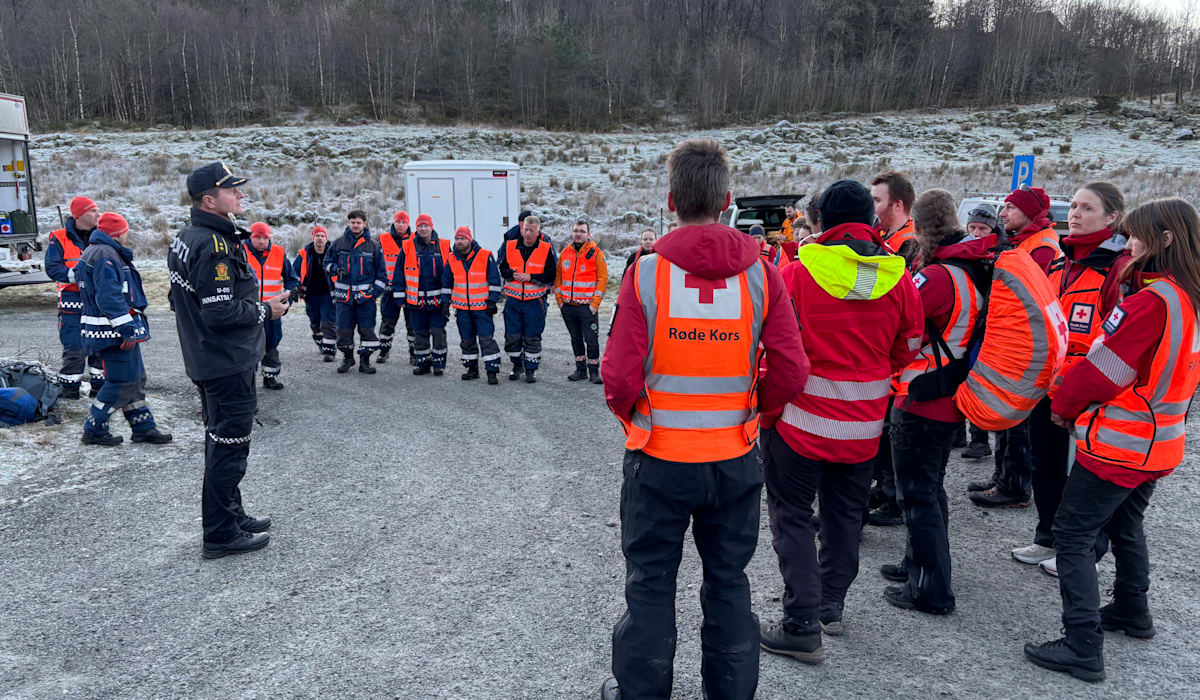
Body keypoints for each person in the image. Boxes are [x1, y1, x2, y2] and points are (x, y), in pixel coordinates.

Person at [599, 138, 809, 700]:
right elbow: (792, 369)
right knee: (728, 584)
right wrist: (756, 413)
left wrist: (638, 419)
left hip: (659, 461)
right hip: (735, 462)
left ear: (670, 202)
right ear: (729, 199)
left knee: (649, 584)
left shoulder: (644, 275)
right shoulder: (765, 275)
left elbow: (617, 379)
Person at [1024, 197, 1200, 683]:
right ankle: (1130, 608)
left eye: (1137, 234)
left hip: (1121, 443)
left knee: (1073, 535)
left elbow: (1104, 371)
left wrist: (1062, 408)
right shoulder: (1189, 297)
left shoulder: (1151, 301)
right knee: (1126, 522)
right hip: (1159, 441)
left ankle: (1082, 644)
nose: (1130, 242)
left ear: (1164, 239)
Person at [758, 180, 922, 663]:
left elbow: (777, 344)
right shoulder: (899, 276)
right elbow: (907, 347)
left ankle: (801, 621)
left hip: (801, 422)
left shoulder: (800, 270)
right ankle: (830, 606)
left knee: (791, 515)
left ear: (822, 221)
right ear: (870, 222)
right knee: (844, 516)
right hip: (865, 426)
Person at [168, 161, 289, 559]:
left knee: (222, 442)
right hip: (224, 363)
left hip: (211, 359)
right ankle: (220, 534)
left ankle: (230, 515)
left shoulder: (189, 236)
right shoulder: (213, 246)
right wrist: (264, 311)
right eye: (232, 191)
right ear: (209, 200)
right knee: (229, 447)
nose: (240, 195)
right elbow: (218, 313)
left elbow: (178, 300)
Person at [882, 188, 993, 615]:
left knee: (918, 494)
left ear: (919, 224)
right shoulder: (966, 272)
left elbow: (896, 322)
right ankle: (919, 566)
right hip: (946, 395)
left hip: (921, 397)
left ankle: (930, 588)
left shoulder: (937, 277)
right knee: (929, 491)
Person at [1011, 183, 1131, 577]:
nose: (1075, 214)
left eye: (1087, 208)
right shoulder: (1062, 261)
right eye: (1074, 206)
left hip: (1089, 387)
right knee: (1044, 463)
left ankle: (1083, 551)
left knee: (1080, 473)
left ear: (1112, 217)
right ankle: (1048, 535)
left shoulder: (1116, 266)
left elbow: (1117, 341)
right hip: (1050, 381)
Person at [967, 189, 1062, 508]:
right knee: (1006, 411)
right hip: (1011, 336)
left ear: (1029, 212)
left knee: (1017, 416)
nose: (1003, 213)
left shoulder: (1043, 246)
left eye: (1010, 207)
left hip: (1023, 342)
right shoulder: (1023, 240)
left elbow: (1032, 296)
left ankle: (1015, 486)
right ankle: (1003, 477)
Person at [77, 212, 171, 446]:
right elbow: (109, 298)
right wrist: (127, 329)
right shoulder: (105, 255)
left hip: (113, 330)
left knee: (135, 378)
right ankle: (94, 429)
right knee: (121, 382)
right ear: (119, 233)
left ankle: (143, 427)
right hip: (112, 333)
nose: (128, 234)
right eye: (126, 230)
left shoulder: (101, 252)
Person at [45, 196, 104, 399]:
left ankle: (101, 389)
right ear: (80, 215)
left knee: (101, 346)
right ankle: (69, 392)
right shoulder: (59, 237)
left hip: (99, 302)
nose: (98, 214)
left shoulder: (103, 235)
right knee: (74, 348)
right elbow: (53, 268)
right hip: (72, 303)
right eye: (93, 211)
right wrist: (81, 276)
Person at [326, 209, 388, 374]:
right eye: (352, 222)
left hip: (365, 300)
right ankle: (348, 358)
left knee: (367, 330)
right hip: (344, 299)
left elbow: (382, 274)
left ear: (365, 224)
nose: (355, 225)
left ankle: (365, 361)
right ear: (349, 223)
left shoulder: (374, 246)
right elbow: (326, 262)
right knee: (343, 331)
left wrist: (374, 295)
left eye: (358, 222)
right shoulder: (338, 243)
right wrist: (335, 268)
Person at [393, 213, 452, 376]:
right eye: (420, 226)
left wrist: (447, 300)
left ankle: (439, 364)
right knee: (420, 333)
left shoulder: (444, 246)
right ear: (416, 228)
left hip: (437, 301)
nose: (423, 229)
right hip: (415, 301)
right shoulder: (407, 246)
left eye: (426, 225)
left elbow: (450, 274)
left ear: (432, 227)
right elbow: (399, 273)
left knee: (438, 332)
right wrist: (399, 296)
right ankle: (423, 363)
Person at [441, 225, 503, 383]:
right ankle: (472, 369)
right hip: (462, 309)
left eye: (462, 238)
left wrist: (492, 301)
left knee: (486, 340)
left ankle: (492, 371)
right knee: (467, 341)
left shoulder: (485, 255)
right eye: (457, 239)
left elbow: (495, 281)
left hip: (482, 309)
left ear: (470, 239)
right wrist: (445, 303)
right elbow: (447, 283)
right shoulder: (452, 258)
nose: (459, 241)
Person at [499, 215, 556, 383]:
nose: (528, 233)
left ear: (538, 232)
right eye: (526, 230)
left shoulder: (545, 249)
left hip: (534, 302)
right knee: (512, 336)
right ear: (522, 230)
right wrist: (512, 274)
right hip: (513, 301)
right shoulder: (510, 246)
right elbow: (502, 268)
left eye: (532, 231)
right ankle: (517, 366)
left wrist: (530, 276)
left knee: (532, 336)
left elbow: (551, 274)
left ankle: (531, 369)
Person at [244, 222, 299, 390]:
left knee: (272, 343)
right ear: (250, 237)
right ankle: (247, 382)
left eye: (264, 238)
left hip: (272, 312)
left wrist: (289, 297)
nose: (261, 241)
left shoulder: (278, 253)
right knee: (248, 346)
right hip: (249, 311)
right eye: (257, 237)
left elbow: (292, 278)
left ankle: (270, 377)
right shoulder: (240, 252)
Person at [555, 220, 608, 383]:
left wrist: (594, 305)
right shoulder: (565, 253)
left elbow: (603, 279)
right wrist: (560, 302)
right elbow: (558, 278)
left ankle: (593, 371)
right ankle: (580, 370)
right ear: (572, 233)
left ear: (588, 234)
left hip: (587, 308)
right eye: (576, 231)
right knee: (575, 338)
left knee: (591, 339)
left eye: (582, 231)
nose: (578, 234)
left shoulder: (596, 253)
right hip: (568, 306)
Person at [293, 225, 337, 361]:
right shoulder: (304, 254)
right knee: (315, 321)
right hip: (311, 294)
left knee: (328, 321)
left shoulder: (334, 253)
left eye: (322, 236)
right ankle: (319, 340)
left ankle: (330, 350)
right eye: (317, 235)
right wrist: (296, 288)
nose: (319, 239)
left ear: (326, 238)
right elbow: (294, 274)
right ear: (313, 238)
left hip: (329, 294)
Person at [378, 210, 412, 364]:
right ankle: (384, 351)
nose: (401, 225)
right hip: (390, 290)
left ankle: (414, 354)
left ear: (408, 224)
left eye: (404, 222)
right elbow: (377, 263)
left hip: (410, 290)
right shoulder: (383, 239)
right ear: (394, 222)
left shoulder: (415, 239)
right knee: (387, 323)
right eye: (398, 221)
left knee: (413, 325)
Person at [871, 171, 918, 266]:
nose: (871, 206)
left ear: (897, 206)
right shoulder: (879, 231)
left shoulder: (912, 244)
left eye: (877, 200)